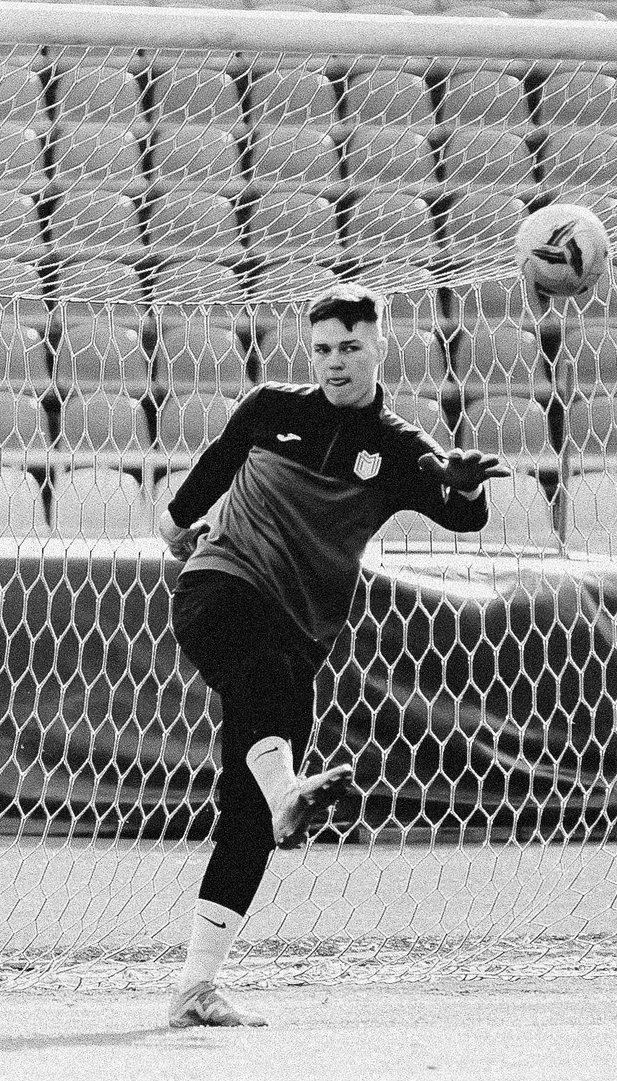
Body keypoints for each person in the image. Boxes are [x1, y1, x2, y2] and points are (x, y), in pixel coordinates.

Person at [157, 282, 509, 1027]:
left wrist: (468, 488)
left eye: (350, 347)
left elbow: (461, 513)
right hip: (218, 590)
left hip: (298, 635)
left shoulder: (400, 448)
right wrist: (179, 526)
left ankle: (196, 986)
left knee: (247, 815)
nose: (334, 363)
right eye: (322, 349)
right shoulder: (269, 411)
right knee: (256, 674)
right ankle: (287, 789)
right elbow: (195, 492)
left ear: (380, 346)